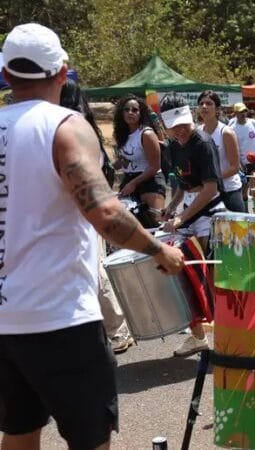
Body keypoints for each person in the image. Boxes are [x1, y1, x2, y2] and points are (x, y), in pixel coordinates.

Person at [0, 23, 184, 450]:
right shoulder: (66, 125)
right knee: (90, 439)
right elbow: (103, 211)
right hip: (59, 318)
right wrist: (159, 250)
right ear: (63, 72)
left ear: (7, 74)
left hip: (5, 321)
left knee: (19, 431)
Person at [60, 79, 135, 354]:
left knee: (95, 270)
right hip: (81, 213)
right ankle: (105, 330)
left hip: (86, 213)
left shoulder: (71, 129)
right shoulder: (81, 127)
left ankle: (118, 330)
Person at [160, 95, 227, 357]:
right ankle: (198, 336)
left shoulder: (204, 143)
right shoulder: (173, 146)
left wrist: (181, 218)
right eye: (175, 125)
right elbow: (182, 186)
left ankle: (225, 335)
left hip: (209, 213)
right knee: (180, 274)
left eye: (184, 123)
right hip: (188, 211)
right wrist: (171, 207)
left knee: (209, 277)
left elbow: (210, 189)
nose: (181, 129)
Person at [113, 94, 167, 221]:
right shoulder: (121, 135)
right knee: (124, 227)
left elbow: (155, 166)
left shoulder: (146, 133)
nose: (130, 113)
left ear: (141, 113)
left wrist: (133, 183)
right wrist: (107, 167)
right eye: (126, 109)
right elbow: (123, 160)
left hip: (150, 181)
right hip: (129, 180)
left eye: (134, 110)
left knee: (154, 225)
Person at [196, 90, 245, 212]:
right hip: (206, 192)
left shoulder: (226, 132)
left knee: (238, 229)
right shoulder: (196, 133)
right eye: (201, 103)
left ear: (217, 109)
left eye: (209, 103)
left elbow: (234, 167)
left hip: (229, 190)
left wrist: (212, 179)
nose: (204, 107)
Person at [228, 102, 255, 206]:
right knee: (244, 187)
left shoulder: (253, 122)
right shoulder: (233, 128)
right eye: (241, 112)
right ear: (236, 113)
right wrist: (240, 163)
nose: (243, 113)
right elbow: (234, 147)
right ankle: (245, 209)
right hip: (244, 161)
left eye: (245, 111)